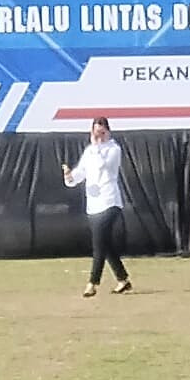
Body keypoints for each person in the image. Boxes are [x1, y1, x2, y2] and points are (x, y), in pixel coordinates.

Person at [66, 109, 132, 294]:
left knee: (98, 243)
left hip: (110, 202)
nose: (99, 136)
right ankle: (123, 279)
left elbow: (105, 165)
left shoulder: (113, 149)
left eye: (102, 132)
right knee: (106, 243)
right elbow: (80, 174)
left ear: (108, 132)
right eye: (96, 132)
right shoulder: (89, 152)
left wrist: (97, 146)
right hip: (93, 204)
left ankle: (92, 284)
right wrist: (70, 177)